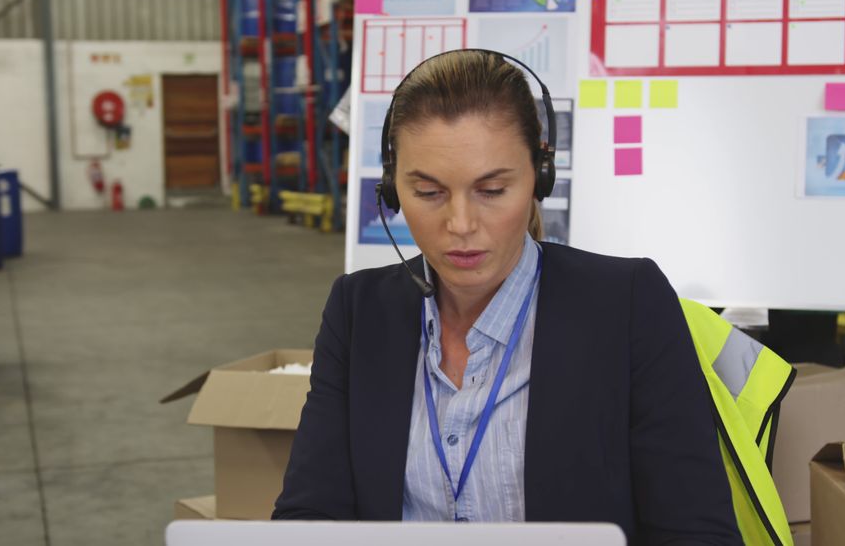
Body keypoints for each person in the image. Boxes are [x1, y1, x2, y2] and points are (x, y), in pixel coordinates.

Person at [273, 49, 741, 545]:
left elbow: (696, 532)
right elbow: (309, 514)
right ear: (392, 189)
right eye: (429, 193)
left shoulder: (626, 307)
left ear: (539, 178)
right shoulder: (359, 312)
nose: (460, 225)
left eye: (492, 190)